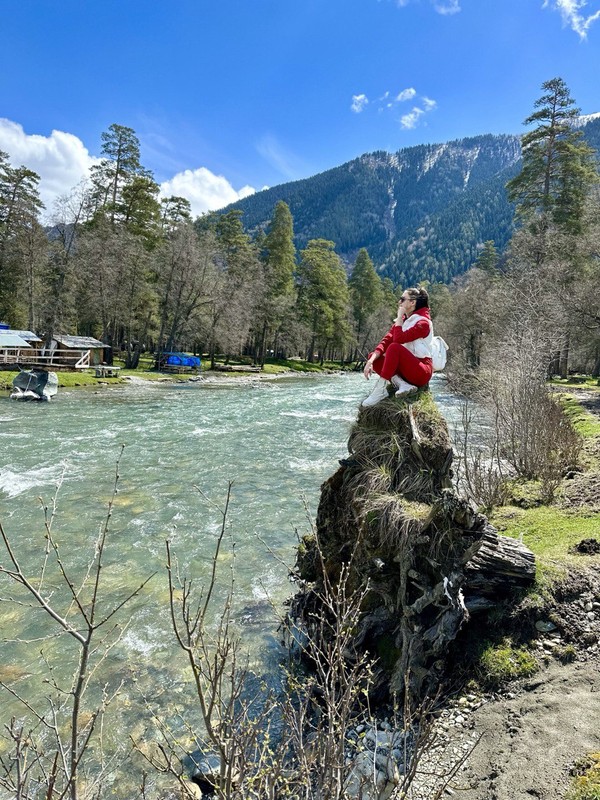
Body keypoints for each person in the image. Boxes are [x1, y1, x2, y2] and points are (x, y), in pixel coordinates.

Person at [362, 286, 433, 407]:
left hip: (421, 372)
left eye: (402, 299)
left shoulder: (423, 323)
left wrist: (399, 317)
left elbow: (398, 340)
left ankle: (380, 390)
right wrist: (370, 360)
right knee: (376, 357)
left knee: (394, 348)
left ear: (412, 302)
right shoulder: (404, 321)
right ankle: (403, 384)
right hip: (406, 369)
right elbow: (386, 341)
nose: (399, 302)